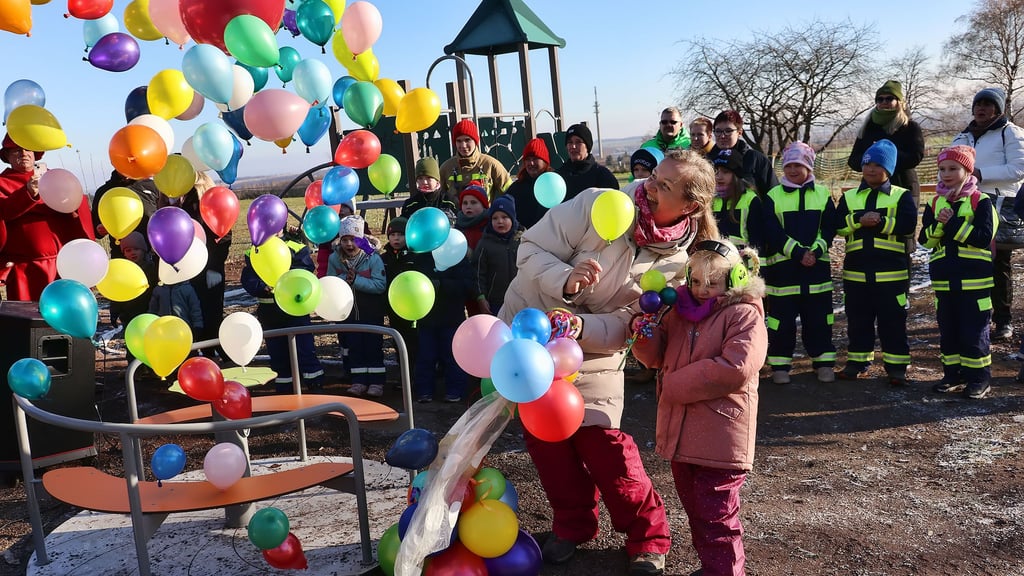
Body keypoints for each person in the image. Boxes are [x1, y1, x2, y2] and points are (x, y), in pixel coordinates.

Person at [499, 149, 720, 576]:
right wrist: (565, 277)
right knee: (547, 444)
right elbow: (530, 249)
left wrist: (580, 326)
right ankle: (573, 524)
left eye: (665, 186)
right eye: (654, 176)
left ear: (691, 205)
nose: (650, 186)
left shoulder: (682, 260)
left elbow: (631, 321)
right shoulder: (597, 202)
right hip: (527, 337)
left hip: (593, 352)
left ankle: (648, 536)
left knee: (606, 447)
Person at [631, 239, 766, 576]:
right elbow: (655, 358)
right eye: (695, 281)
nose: (703, 290)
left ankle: (724, 571)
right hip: (682, 433)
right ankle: (713, 566)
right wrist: (645, 334)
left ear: (735, 278)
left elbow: (735, 367)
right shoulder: (678, 313)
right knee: (697, 510)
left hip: (721, 435)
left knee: (717, 516)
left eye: (713, 282)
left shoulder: (744, 314)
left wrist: (673, 384)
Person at [835, 139, 917, 385]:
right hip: (856, 275)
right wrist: (859, 220)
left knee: (892, 323)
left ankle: (896, 367)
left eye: (878, 164)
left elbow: (908, 226)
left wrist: (880, 223)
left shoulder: (901, 195)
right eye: (867, 163)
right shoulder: (849, 197)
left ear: (889, 169)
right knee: (858, 321)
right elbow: (838, 225)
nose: (871, 169)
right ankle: (857, 362)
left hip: (891, 275)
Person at [920, 146, 996, 399]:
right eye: (942, 169)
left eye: (953, 168)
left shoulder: (981, 201)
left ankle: (979, 379)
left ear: (967, 170)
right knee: (949, 332)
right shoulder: (934, 202)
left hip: (975, 282)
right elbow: (926, 241)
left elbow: (983, 238)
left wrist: (951, 223)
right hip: (944, 282)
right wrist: (940, 226)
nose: (946, 174)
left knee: (973, 332)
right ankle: (953, 375)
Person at [951, 87, 1024, 342]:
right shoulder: (963, 136)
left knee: (998, 264)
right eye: (977, 104)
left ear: (999, 109)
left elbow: (1018, 169)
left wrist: (980, 173)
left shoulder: (1011, 133)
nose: (981, 108)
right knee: (967, 261)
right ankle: (971, 316)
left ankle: (1003, 320)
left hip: (997, 205)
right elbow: (946, 165)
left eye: (988, 104)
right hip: (964, 204)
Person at [762, 141, 837, 384]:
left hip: (816, 275)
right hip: (783, 274)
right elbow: (772, 233)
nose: (792, 170)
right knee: (781, 323)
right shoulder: (773, 196)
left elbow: (828, 229)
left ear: (809, 166)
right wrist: (798, 253)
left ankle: (823, 362)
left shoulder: (823, 194)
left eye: (798, 165)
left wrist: (815, 250)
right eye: (788, 165)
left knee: (819, 320)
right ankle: (780, 366)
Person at [0, 134, 95, 301]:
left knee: (61, 312)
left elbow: (76, 206)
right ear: (7, 156)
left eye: (28, 149)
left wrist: (72, 203)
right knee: (27, 319)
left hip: (60, 264)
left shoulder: (55, 178)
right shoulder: (2, 182)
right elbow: (4, 211)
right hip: (24, 269)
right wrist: (28, 194)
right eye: (16, 150)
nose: (23, 153)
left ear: (36, 153)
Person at [241, 228, 324, 392]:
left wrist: (286, 283)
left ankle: (315, 384)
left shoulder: (295, 247)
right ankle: (285, 387)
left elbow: (305, 270)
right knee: (277, 352)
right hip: (269, 312)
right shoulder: (254, 250)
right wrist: (262, 287)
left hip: (295, 310)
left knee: (304, 349)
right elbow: (249, 277)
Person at [847, 80, 925, 252]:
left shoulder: (910, 127)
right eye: (880, 99)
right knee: (871, 236)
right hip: (871, 188)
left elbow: (916, 156)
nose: (884, 103)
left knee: (902, 237)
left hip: (903, 185)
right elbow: (853, 160)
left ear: (899, 102)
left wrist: (887, 157)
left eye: (889, 98)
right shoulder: (867, 127)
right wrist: (870, 161)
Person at [158, 171, 231, 354]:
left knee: (210, 314)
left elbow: (222, 235)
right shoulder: (172, 200)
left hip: (207, 268)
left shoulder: (204, 200)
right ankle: (201, 352)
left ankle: (219, 354)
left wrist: (214, 267)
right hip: (184, 269)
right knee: (191, 313)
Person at [328, 215, 387, 397]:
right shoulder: (334, 259)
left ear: (361, 239)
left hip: (371, 312)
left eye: (353, 239)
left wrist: (357, 281)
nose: (349, 244)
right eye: (345, 240)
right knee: (355, 347)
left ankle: (377, 382)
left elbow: (380, 285)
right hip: (349, 313)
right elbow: (330, 282)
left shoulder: (373, 259)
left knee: (373, 347)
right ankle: (359, 380)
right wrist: (344, 280)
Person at [414, 252, 474, 404]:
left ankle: (454, 390)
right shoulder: (422, 257)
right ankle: (424, 391)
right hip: (426, 317)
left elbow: (467, 285)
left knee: (452, 355)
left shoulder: (458, 256)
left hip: (451, 317)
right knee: (425, 356)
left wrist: (442, 284)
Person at [380, 216, 424, 384]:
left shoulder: (415, 256)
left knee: (414, 342)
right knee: (398, 341)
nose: (396, 238)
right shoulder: (383, 259)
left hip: (413, 307)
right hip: (393, 308)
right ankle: (403, 375)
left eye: (401, 235)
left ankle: (415, 376)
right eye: (392, 235)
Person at [91, 168, 159, 259]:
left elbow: (163, 218)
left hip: (152, 257)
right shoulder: (103, 191)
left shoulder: (152, 186)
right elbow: (96, 230)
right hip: (121, 258)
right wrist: (100, 229)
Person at [438, 118, 511, 202]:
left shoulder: (491, 164)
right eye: (459, 141)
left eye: (467, 140)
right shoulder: (446, 168)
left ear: (475, 141)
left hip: (485, 215)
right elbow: (438, 197)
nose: (463, 145)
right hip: (454, 215)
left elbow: (512, 194)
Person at [709, 110, 778, 197]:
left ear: (739, 132)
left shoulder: (755, 159)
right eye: (718, 131)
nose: (722, 136)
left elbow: (773, 195)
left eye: (728, 131)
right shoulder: (707, 161)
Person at [473, 195, 521, 315]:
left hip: (521, 299)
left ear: (512, 218)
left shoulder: (522, 240)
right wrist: (481, 297)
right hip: (495, 302)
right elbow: (477, 273)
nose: (500, 221)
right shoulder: (485, 244)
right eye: (495, 218)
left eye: (505, 217)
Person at [709, 147, 764, 252]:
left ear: (736, 175)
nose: (719, 176)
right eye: (716, 171)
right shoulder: (711, 200)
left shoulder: (750, 199)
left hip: (742, 262)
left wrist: (752, 267)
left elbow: (757, 239)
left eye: (725, 172)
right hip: (715, 262)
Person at [109, 231, 158, 332]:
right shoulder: (123, 271)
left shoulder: (151, 269)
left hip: (148, 312)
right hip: (128, 315)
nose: (133, 253)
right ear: (124, 253)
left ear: (144, 250)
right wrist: (114, 312)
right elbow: (117, 293)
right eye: (128, 250)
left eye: (136, 249)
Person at [557, 123, 619, 202]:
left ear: (587, 146)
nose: (573, 146)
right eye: (570, 142)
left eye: (578, 142)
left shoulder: (603, 176)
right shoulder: (559, 177)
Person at [505, 137, 554, 229]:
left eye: (535, 159)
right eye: (527, 159)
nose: (531, 163)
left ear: (545, 162)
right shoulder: (516, 188)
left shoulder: (554, 184)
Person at [401, 156, 457, 223]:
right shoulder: (410, 205)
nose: (424, 182)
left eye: (429, 178)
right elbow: (402, 226)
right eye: (420, 178)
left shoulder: (450, 201)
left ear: (437, 180)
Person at [455, 181, 490, 254]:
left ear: (483, 205)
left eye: (473, 202)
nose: (468, 206)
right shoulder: (456, 228)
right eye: (465, 203)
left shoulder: (491, 226)